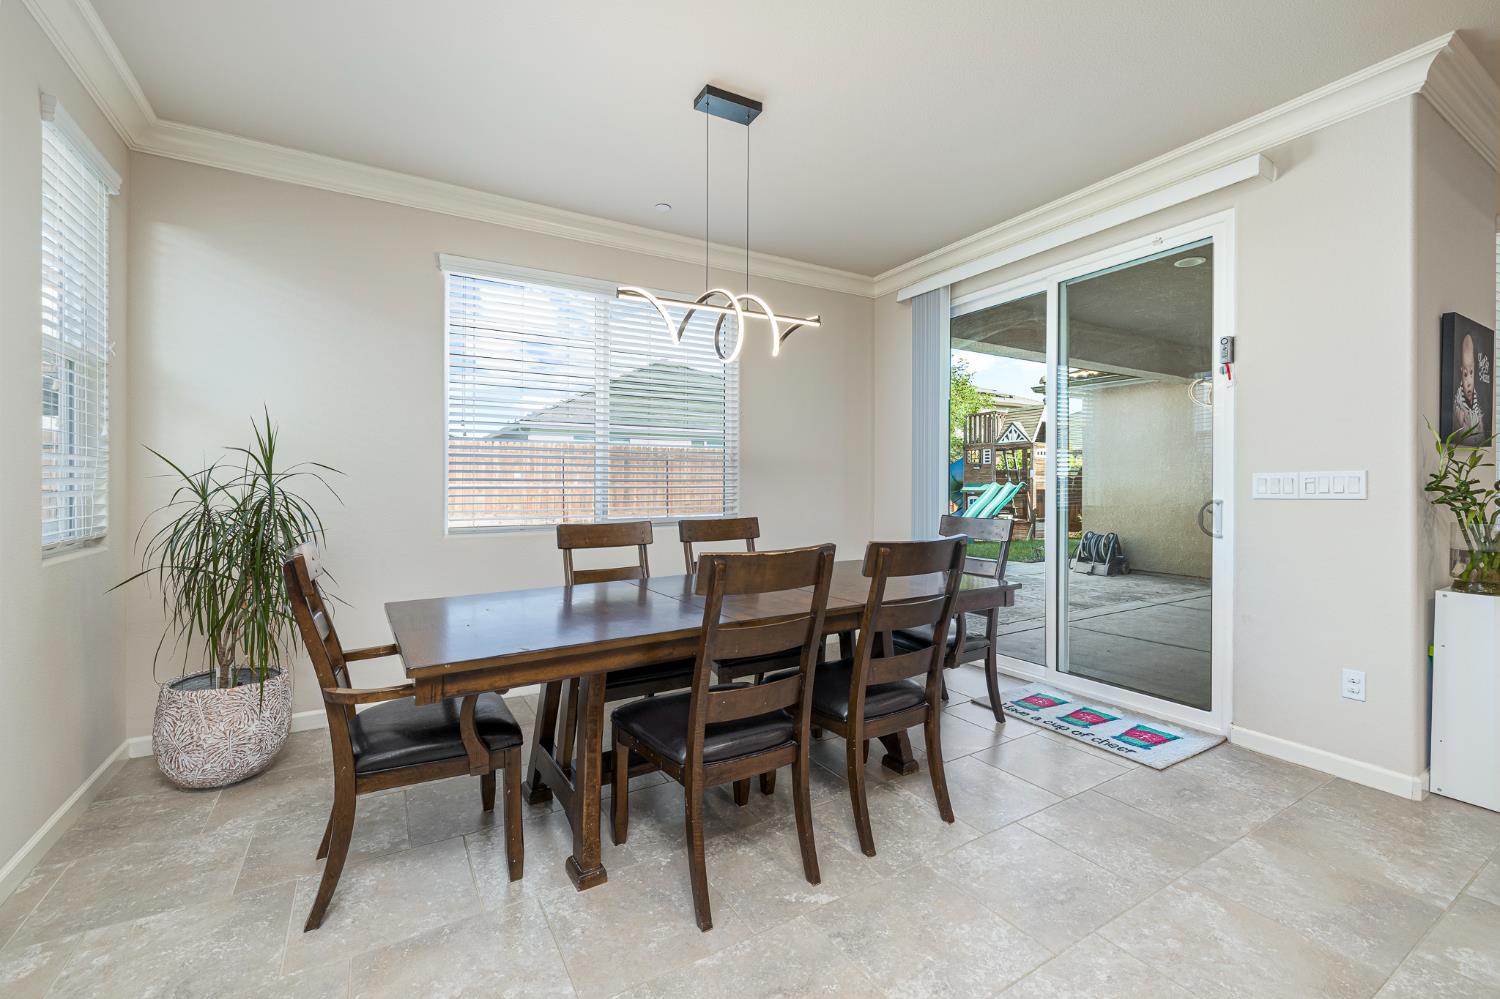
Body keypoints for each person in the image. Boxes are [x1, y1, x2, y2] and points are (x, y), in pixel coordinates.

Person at [1453, 332, 1487, 442]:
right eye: (1465, 374)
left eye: (1471, 373)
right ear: (1461, 373)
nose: (1468, 382)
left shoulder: (1478, 409)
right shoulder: (1459, 412)